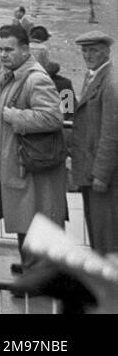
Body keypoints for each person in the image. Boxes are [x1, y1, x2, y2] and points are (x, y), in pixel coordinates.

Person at [0, 23, 67, 274]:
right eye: (0, 49)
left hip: (30, 165)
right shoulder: (9, 76)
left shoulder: (35, 78)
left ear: (25, 49)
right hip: (18, 162)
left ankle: (37, 276)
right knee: (25, 219)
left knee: (34, 219)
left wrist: (17, 117)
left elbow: (53, 118)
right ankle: (30, 266)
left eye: (9, 49)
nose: (3, 54)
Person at [69, 30, 117, 255]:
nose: (88, 55)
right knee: (96, 231)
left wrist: (101, 174)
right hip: (90, 169)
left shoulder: (110, 83)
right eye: (85, 50)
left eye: (94, 50)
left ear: (107, 51)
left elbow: (111, 133)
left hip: (102, 175)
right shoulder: (93, 76)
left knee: (106, 235)